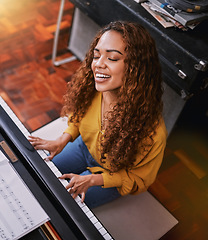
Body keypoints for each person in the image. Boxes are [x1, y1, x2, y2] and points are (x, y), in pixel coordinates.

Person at [29, 21, 167, 209]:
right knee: (39, 171)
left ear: (136, 68)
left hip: (113, 174)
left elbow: (138, 179)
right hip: (83, 147)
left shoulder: (153, 132)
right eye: (96, 55)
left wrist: (93, 180)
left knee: (62, 203)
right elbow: (79, 116)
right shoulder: (92, 89)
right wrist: (62, 139)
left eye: (112, 58)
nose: (98, 64)